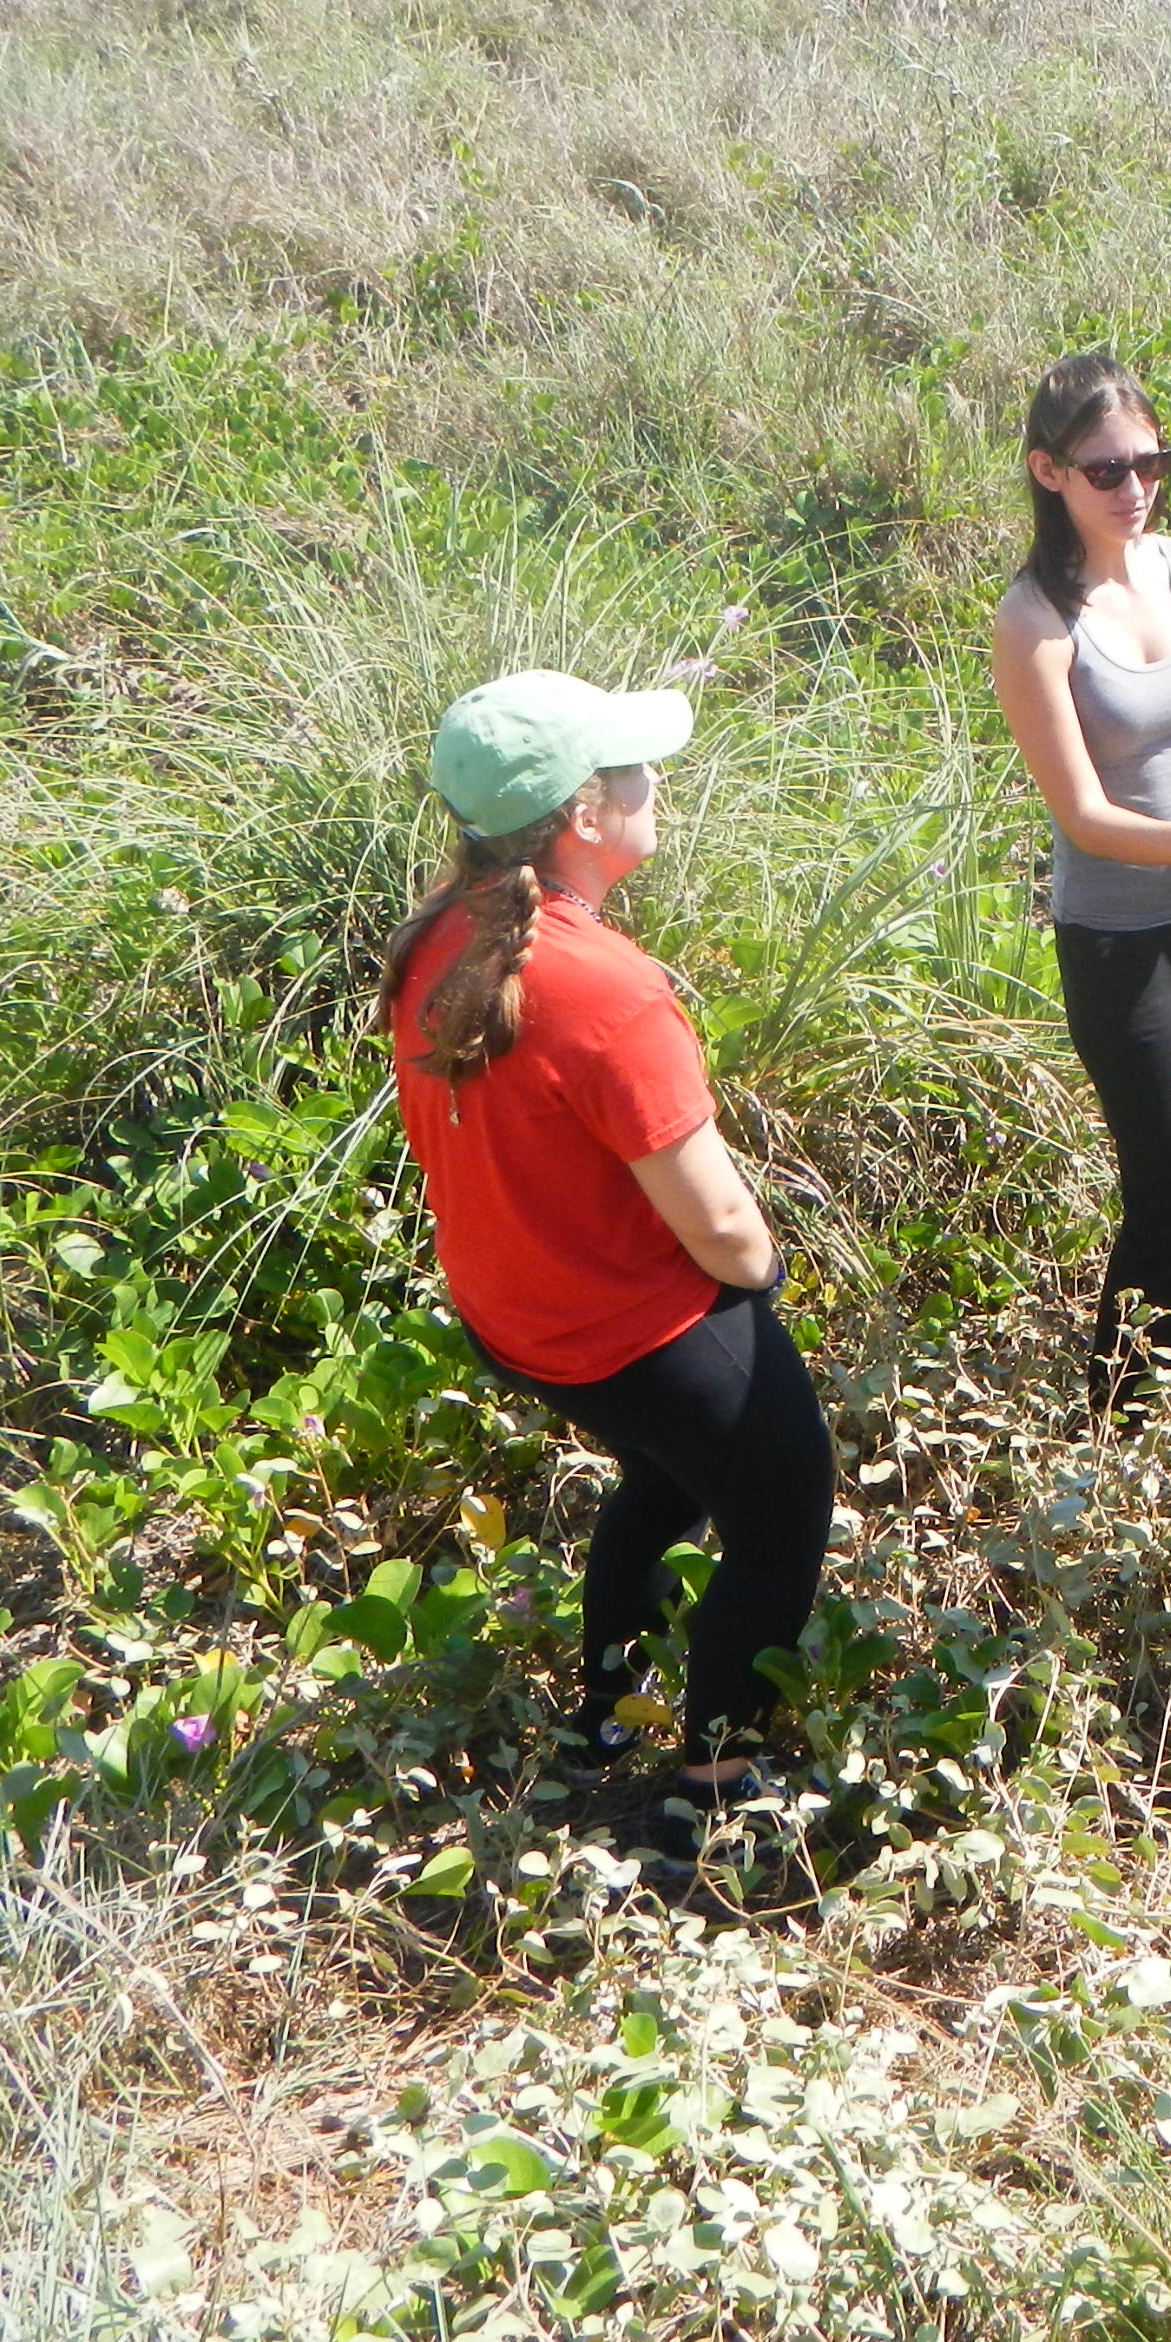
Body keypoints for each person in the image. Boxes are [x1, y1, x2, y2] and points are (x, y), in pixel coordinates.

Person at [379, 668, 831, 1849]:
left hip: (513, 1320)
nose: (656, 783)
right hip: (632, 1332)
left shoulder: (436, 939)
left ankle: (603, 1724)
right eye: (635, 769)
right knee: (781, 1520)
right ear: (583, 816)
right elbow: (724, 1228)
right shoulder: (608, 989)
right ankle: (715, 1791)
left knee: (666, 1481)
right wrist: (760, 1284)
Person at [987, 352, 1171, 1415]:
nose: (1135, 489)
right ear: (1048, 473)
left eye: (1152, 462)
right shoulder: (1035, 621)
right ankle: (1116, 1429)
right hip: (1118, 939)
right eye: (1107, 471)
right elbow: (1086, 817)